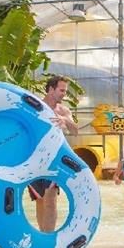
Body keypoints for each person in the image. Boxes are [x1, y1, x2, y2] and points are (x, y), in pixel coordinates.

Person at [28, 75, 78, 232]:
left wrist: (65, 120)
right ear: (50, 89)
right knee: (40, 199)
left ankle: (48, 239)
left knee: (50, 199)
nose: (64, 94)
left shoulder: (63, 110)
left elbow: (75, 131)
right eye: (62, 90)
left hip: (53, 160)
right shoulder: (34, 107)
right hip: (34, 158)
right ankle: (43, 236)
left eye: (65, 91)